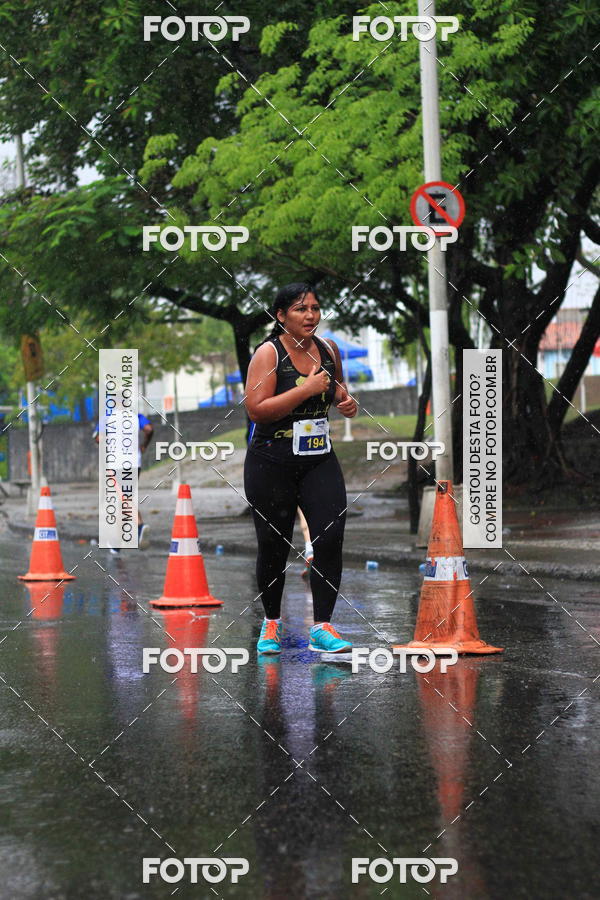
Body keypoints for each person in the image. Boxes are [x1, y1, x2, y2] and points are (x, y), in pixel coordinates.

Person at [243, 282, 358, 655]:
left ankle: (323, 626)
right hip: (271, 461)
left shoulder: (329, 350)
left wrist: (345, 401)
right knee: (274, 544)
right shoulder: (268, 353)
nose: (310, 315)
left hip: (318, 459)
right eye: (300, 309)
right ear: (281, 316)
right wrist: (304, 390)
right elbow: (256, 410)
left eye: (314, 307)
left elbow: (336, 388)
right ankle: (271, 623)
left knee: (330, 535)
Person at [93, 412, 154, 551]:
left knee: (124, 498)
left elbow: (98, 438)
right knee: (124, 501)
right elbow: (149, 429)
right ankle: (116, 544)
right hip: (134, 463)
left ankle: (140, 526)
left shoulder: (107, 417)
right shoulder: (136, 416)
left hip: (116, 465)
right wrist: (144, 445)